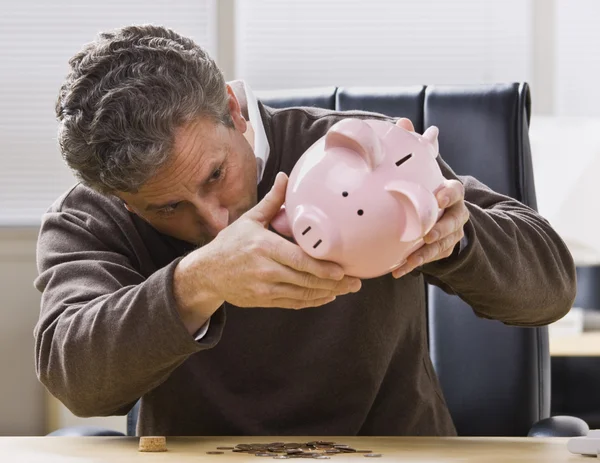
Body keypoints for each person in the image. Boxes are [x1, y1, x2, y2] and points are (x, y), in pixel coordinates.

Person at [34, 25, 576, 436]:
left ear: (232, 109)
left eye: (216, 175)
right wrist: (200, 281)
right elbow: (76, 378)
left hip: (397, 453)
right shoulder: (93, 216)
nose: (214, 221)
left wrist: (457, 238)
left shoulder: (366, 151)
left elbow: (551, 289)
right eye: (166, 207)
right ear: (119, 197)